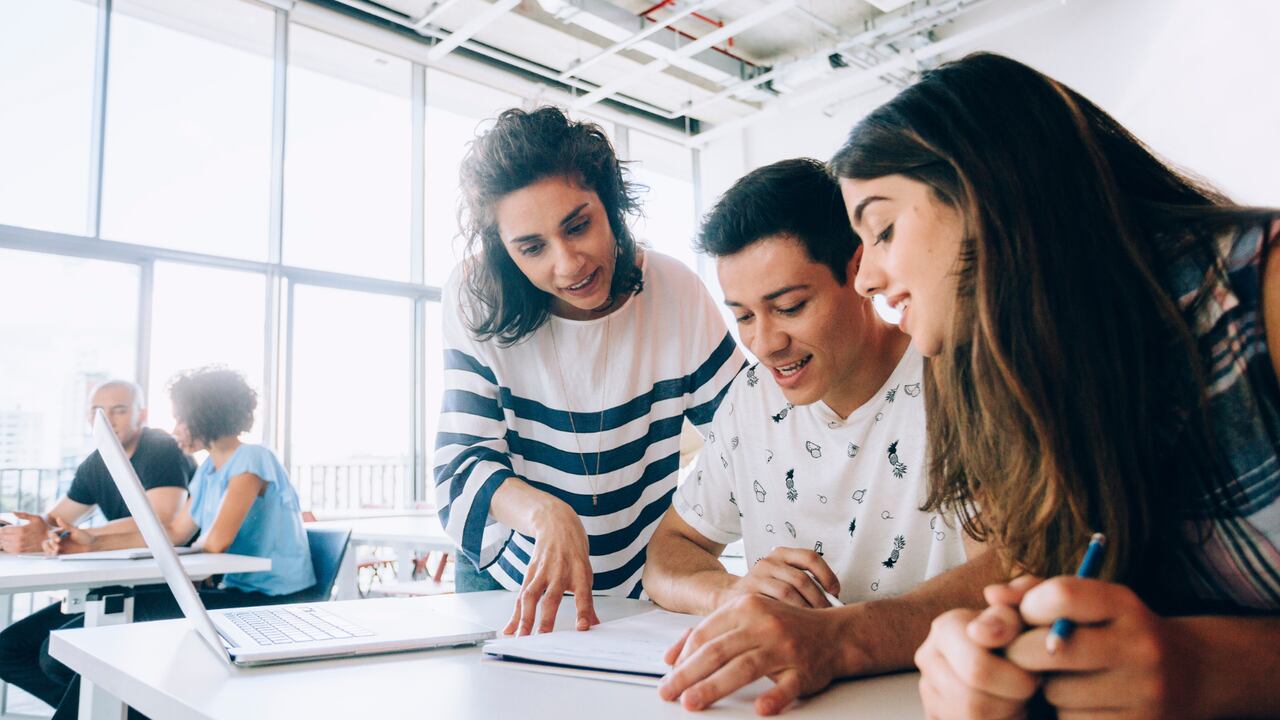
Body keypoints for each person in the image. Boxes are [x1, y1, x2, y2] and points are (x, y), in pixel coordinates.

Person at [833, 52, 1280, 718]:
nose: (866, 279)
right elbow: (1034, 585)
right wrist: (993, 659)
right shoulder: (996, 377)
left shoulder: (1262, 290)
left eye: (884, 230)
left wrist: (1207, 668)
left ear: (991, 189)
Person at [645, 158, 999, 715]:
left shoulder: (956, 376)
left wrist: (839, 637)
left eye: (789, 307)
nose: (766, 343)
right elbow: (668, 553)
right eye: (743, 316)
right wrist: (731, 591)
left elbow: (1010, 568)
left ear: (858, 269)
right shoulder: (749, 400)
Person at [434, 106, 744, 635]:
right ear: (506, 252)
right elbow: (462, 466)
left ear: (611, 204)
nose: (568, 264)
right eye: (532, 248)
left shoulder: (675, 292)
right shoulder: (477, 296)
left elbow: (749, 438)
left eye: (578, 226)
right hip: (510, 581)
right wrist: (546, 514)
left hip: (640, 580)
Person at [46, 366, 316, 719]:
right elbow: (175, 531)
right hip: (237, 591)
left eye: (180, 420)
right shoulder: (208, 472)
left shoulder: (253, 459)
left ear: (205, 417)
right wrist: (91, 542)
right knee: (88, 636)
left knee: (114, 628)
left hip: (272, 599)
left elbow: (216, 541)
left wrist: (107, 541)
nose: (174, 430)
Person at [0, 380, 193, 710]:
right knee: (8, 650)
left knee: (55, 656)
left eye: (119, 410)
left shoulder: (160, 448)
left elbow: (160, 520)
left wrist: (74, 536)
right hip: (119, 585)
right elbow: (56, 520)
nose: (108, 419)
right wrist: (17, 531)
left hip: (168, 587)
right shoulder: (97, 463)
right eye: (98, 411)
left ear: (141, 414)